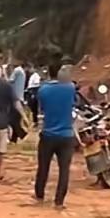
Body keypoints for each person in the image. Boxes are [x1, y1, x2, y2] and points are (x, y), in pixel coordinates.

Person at [33, 63, 77, 208]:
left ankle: (39, 195)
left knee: (43, 167)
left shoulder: (43, 90)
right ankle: (59, 201)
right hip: (66, 135)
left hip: (48, 134)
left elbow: (42, 109)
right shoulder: (70, 88)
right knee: (64, 170)